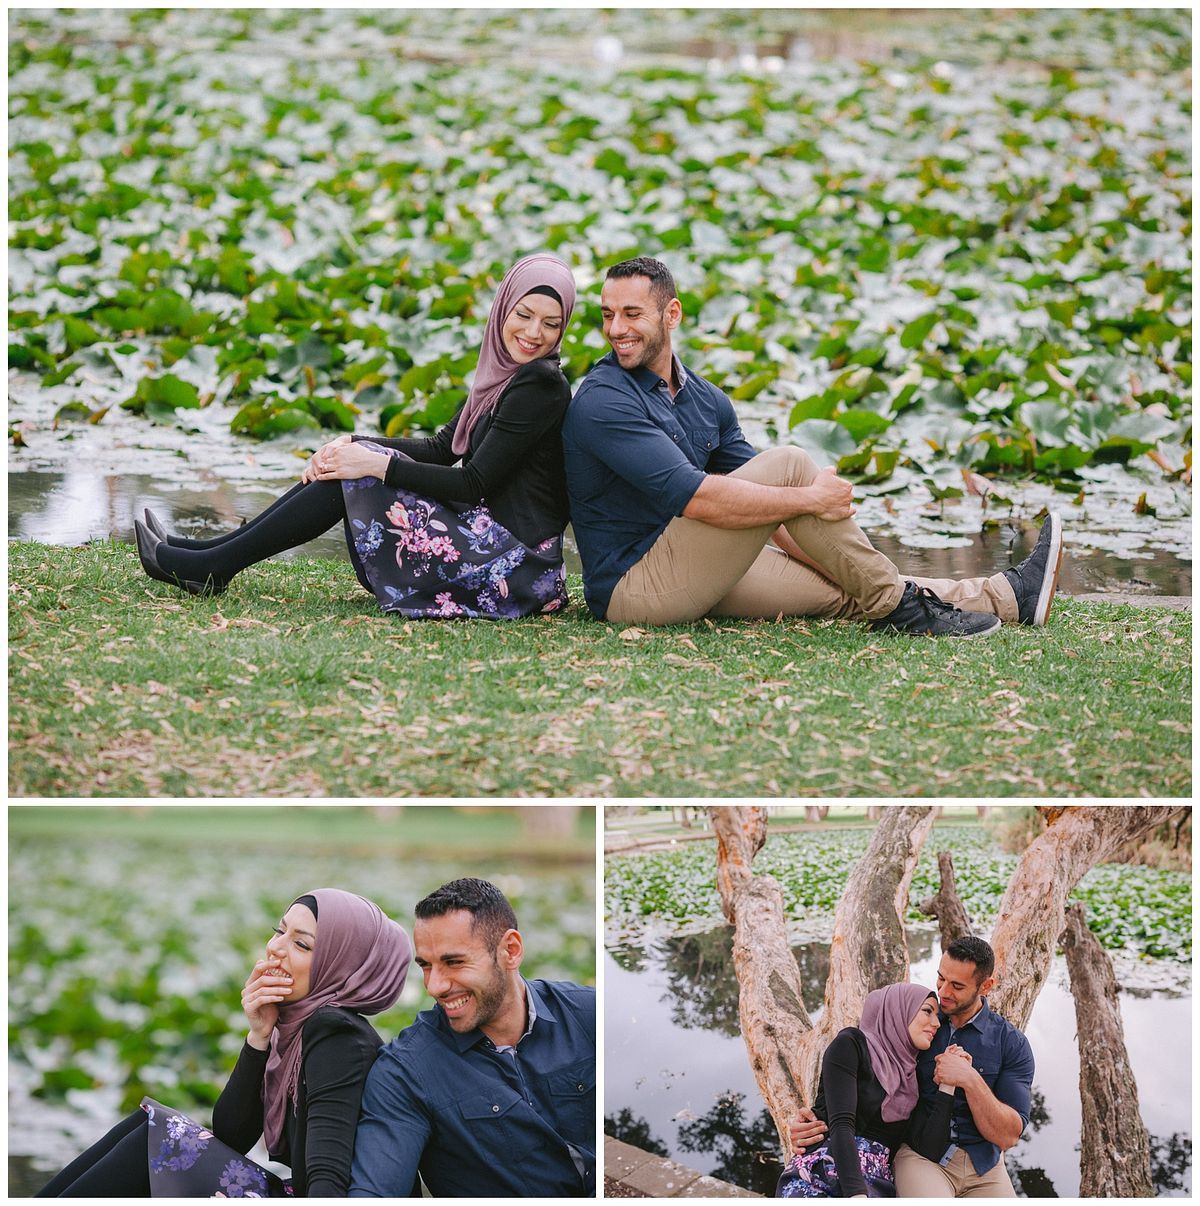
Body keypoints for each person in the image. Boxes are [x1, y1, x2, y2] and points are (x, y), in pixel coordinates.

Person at [561, 256, 1064, 637]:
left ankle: (1005, 597)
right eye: (608, 315)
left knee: (840, 588)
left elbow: (771, 509)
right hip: (634, 589)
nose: (616, 330)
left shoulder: (706, 400)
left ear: (671, 314)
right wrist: (810, 498)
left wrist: (828, 549)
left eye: (631, 314)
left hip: (697, 560)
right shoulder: (604, 401)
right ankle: (900, 610)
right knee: (793, 463)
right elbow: (700, 498)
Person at [135, 252, 577, 619]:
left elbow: (473, 481)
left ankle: (211, 566)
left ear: (564, 327)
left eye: (551, 324)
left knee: (361, 474)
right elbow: (442, 449)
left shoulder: (540, 385)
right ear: (503, 309)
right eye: (523, 315)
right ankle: (210, 554)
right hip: (491, 542)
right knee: (356, 460)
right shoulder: (504, 376)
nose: (533, 333)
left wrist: (376, 465)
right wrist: (351, 443)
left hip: (511, 569)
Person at [37, 889, 411, 1197]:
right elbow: (232, 1134)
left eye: (301, 944)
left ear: (342, 965)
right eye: (279, 931)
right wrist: (259, 1036)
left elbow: (329, 1178)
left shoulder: (336, 1036)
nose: (275, 948)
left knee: (158, 1142)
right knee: (148, 1125)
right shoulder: (299, 1027)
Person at [349, 877, 595, 1197]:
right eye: (426, 966)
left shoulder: (588, 1013)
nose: (435, 986)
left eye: (454, 962)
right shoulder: (404, 1074)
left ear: (511, 950)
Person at [790, 938, 1034, 1197]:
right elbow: (869, 1064)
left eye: (957, 986)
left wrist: (969, 1079)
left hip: (984, 1164)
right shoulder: (916, 1022)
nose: (944, 992)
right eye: (941, 979)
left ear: (986, 986)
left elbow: (1008, 1137)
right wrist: (819, 1118)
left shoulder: (1011, 1043)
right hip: (921, 1158)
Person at [777, 983, 970, 1198]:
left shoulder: (911, 1078)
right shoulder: (851, 1045)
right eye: (927, 1011)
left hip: (878, 1183)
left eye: (938, 1016)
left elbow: (929, 1149)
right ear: (899, 1011)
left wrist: (948, 1085)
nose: (935, 1023)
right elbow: (842, 1125)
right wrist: (857, 1195)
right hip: (827, 1172)